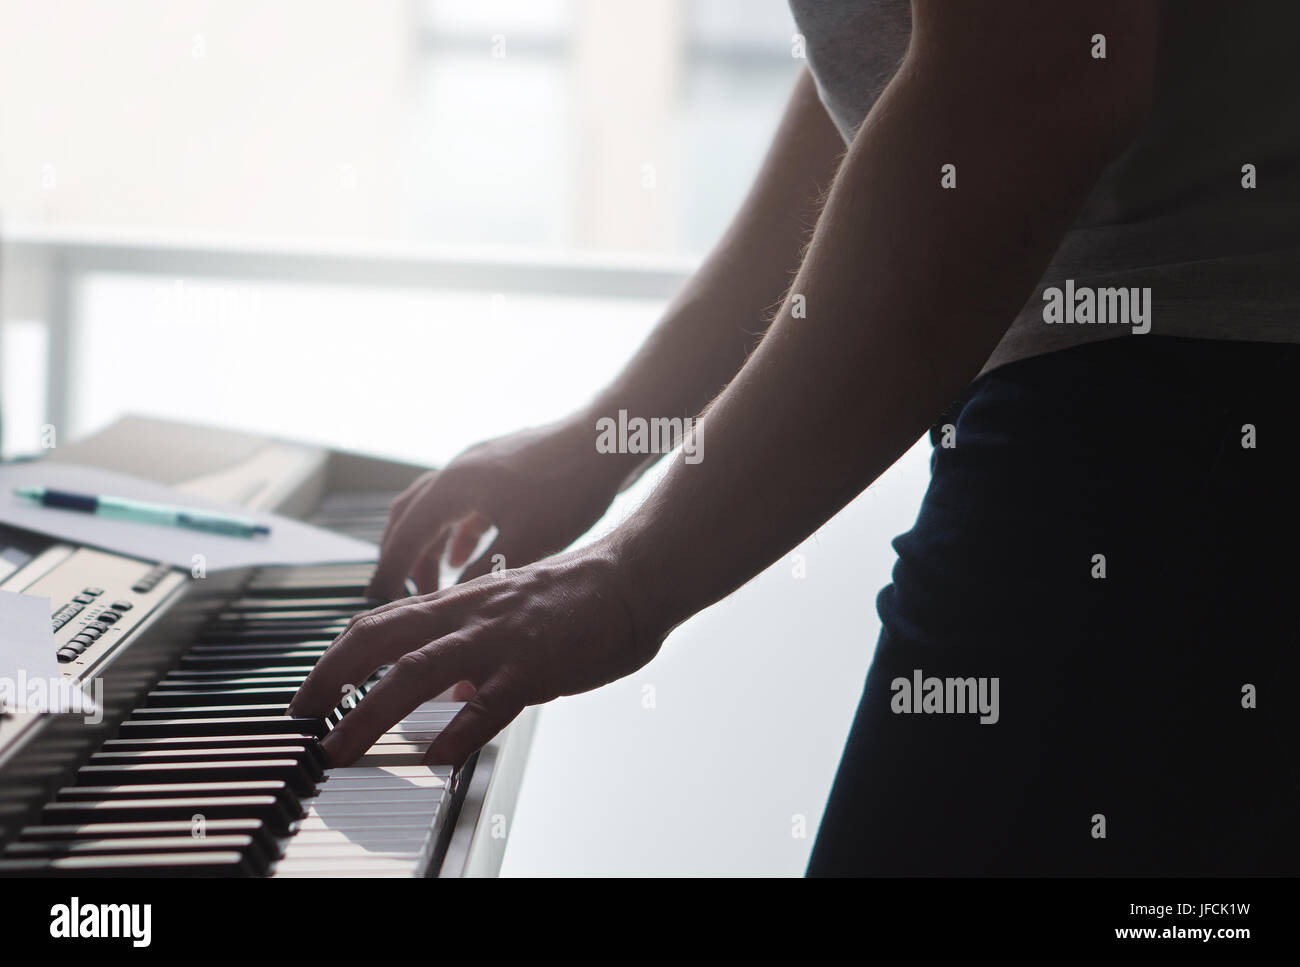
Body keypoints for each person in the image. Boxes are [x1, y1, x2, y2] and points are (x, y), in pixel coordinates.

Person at [289, 0, 1300, 874]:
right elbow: (891, 63)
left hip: (1192, 405)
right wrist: (607, 438)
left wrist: (632, 575)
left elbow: (1028, 80)